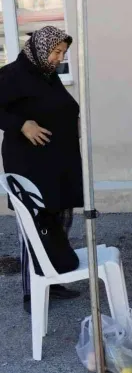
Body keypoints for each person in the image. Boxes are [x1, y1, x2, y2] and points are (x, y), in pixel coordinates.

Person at [0, 26, 83, 313]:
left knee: (57, 223)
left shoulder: (47, 76)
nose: (59, 58)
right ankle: (30, 294)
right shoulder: (13, 75)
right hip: (30, 166)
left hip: (56, 164)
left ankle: (53, 280)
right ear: (39, 48)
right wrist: (22, 124)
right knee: (35, 227)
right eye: (56, 51)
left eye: (63, 53)